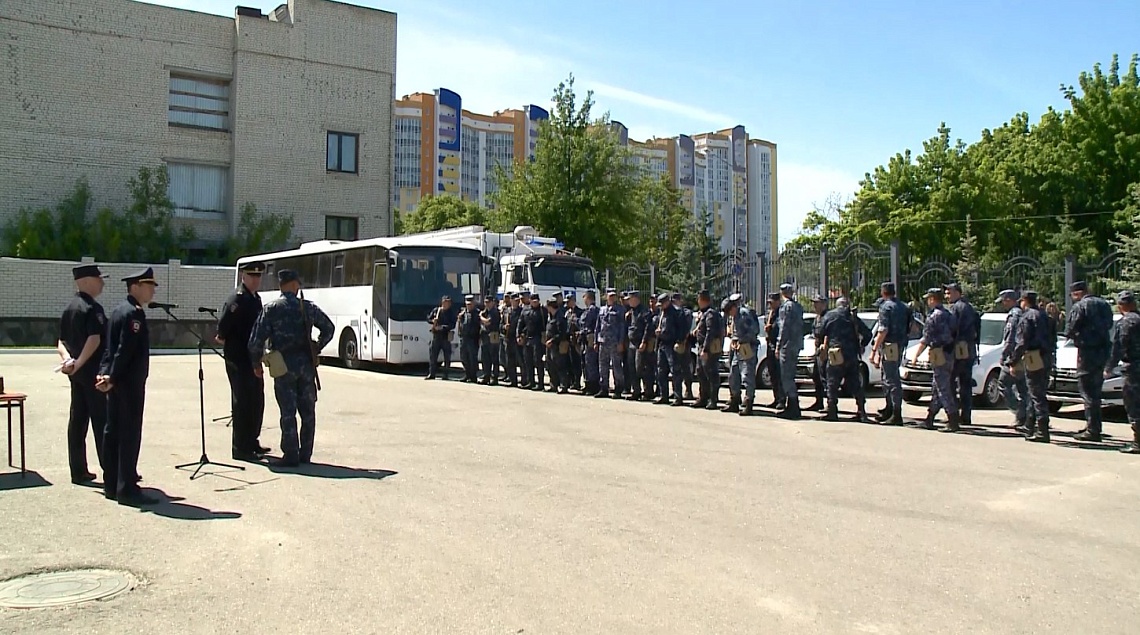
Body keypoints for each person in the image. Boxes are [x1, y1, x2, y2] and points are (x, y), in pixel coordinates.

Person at [249, 269, 335, 467]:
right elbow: (329, 328)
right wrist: (316, 346)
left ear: (281, 286)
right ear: (295, 284)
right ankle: (305, 454)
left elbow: (256, 340)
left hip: (282, 365)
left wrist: (256, 363)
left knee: (287, 413)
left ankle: (290, 454)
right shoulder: (308, 308)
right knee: (308, 412)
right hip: (305, 366)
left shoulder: (271, 309)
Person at [95, 267, 158, 506]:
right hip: (128, 383)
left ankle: (112, 484)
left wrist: (105, 374)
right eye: (149, 285)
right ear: (135, 287)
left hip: (116, 382)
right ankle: (127, 488)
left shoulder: (119, 311)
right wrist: (112, 376)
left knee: (113, 432)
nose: (152, 290)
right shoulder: (133, 314)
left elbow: (109, 350)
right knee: (129, 434)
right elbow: (124, 351)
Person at [58, 263, 108, 484]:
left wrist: (67, 360)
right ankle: (111, 470)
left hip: (76, 374)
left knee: (77, 421)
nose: (102, 283)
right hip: (92, 373)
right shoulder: (92, 308)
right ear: (87, 281)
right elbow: (95, 338)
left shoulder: (69, 308)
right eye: (99, 279)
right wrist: (78, 363)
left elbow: (60, 341)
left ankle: (78, 470)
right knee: (101, 421)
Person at [216, 261, 267, 461]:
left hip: (253, 358)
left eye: (258, 276)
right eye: (252, 276)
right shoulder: (236, 299)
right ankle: (240, 448)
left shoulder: (255, 299)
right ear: (243, 277)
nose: (256, 280)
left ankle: (252, 441)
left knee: (256, 400)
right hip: (238, 358)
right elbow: (222, 330)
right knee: (242, 401)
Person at [1065, 281, 1115, 442]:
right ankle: (1093, 426)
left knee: (1087, 392)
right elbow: (1109, 325)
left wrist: (1073, 336)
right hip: (1103, 351)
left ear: (1077, 293)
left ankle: (1093, 430)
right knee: (1096, 391)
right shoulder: (1104, 304)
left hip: (1087, 352)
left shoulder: (1080, 306)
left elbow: (1071, 328)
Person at [909, 287, 959, 431]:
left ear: (932, 299)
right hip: (949, 353)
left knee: (943, 388)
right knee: (937, 387)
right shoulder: (949, 314)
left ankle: (953, 419)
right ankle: (930, 418)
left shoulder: (934, 316)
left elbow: (926, 339)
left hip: (939, 354)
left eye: (928, 299)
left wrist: (916, 356)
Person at [818, 297, 873, 422]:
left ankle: (832, 411)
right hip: (852, 354)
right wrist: (862, 345)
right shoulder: (852, 317)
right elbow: (868, 334)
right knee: (855, 383)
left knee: (832, 382)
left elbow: (820, 332)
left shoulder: (830, 316)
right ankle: (862, 412)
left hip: (836, 353)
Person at [1010, 291, 1054, 443]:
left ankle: (1042, 430)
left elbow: (1022, 341)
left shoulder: (1027, 317)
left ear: (1024, 301)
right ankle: (1031, 426)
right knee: (1037, 392)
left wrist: (1013, 361)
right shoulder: (1045, 316)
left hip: (1033, 356)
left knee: (1035, 393)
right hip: (1046, 356)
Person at [870, 282, 909, 426]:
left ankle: (896, 413)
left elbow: (883, 330)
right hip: (899, 345)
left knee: (891, 379)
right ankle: (889, 409)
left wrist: (874, 349)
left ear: (883, 292)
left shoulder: (886, 307)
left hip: (889, 345)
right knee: (887, 377)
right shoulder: (903, 306)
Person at [945, 282, 980, 425]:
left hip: (958, 349)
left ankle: (954, 415)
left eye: (950, 292)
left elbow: (952, 329)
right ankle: (966, 415)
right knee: (965, 384)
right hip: (969, 348)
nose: (947, 296)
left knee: (951, 381)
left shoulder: (957, 308)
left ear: (958, 293)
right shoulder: (969, 307)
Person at [1109, 290, 1139, 454]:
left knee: (1133, 404)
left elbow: (1118, 347)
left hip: (1133, 369)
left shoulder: (1125, 322)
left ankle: (1138, 442)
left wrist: (1109, 367)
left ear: (1121, 306)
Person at [994, 289, 1029, 432]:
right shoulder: (1022, 313)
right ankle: (1026, 416)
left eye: (1003, 301)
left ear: (1009, 300)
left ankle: (1020, 413)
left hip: (1014, 356)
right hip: (1022, 355)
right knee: (1022, 388)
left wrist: (1004, 356)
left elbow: (1010, 339)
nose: (1002, 304)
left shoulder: (1014, 315)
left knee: (1003, 383)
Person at [722, 293, 760, 415]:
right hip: (737, 349)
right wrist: (734, 339)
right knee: (733, 374)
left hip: (747, 348)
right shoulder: (734, 316)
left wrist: (741, 339)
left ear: (733, 308)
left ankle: (749, 403)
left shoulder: (744, 314)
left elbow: (754, 331)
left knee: (747, 376)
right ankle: (734, 399)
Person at [691, 289, 725, 411]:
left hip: (709, 349)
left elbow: (710, 333)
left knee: (711, 374)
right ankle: (703, 398)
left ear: (702, 300)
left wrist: (705, 349)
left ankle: (713, 399)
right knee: (700, 373)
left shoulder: (710, 314)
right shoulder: (703, 313)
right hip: (701, 347)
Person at [775, 284, 805, 420]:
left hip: (787, 345)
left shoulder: (786, 307)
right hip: (796, 344)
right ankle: (792, 405)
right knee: (790, 375)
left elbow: (784, 327)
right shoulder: (798, 306)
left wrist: (778, 345)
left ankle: (793, 406)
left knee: (786, 376)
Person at [595, 289, 625, 399]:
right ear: (606, 297)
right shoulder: (602, 309)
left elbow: (622, 327)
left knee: (616, 366)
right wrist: (595, 341)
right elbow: (598, 326)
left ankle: (618, 389)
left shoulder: (620, 310)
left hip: (614, 342)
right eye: (610, 296)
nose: (612, 298)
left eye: (614, 296)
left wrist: (621, 342)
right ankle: (604, 388)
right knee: (603, 366)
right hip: (603, 341)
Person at [624, 291, 652, 402]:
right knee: (632, 368)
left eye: (630, 299)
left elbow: (647, 328)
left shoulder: (644, 311)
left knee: (641, 368)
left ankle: (647, 392)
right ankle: (636, 391)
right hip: (631, 343)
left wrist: (644, 342)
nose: (628, 301)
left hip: (640, 343)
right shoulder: (631, 312)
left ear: (636, 299)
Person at [761, 292, 784, 409]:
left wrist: (771, 327)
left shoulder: (781, 313)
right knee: (772, 373)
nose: (770, 305)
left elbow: (780, 328)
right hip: (770, 345)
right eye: (769, 303)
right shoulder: (770, 313)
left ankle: (781, 399)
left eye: (772, 302)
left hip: (777, 345)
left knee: (779, 374)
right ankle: (776, 398)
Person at [544, 295, 571, 393]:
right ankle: (553, 385)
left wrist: (552, 340)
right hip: (550, 346)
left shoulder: (560, 317)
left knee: (560, 366)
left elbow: (562, 333)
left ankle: (564, 386)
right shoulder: (550, 317)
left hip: (557, 345)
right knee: (550, 366)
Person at [806, 295, 829, 412]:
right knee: (816, 377)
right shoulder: (817, 318)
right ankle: (818, 401)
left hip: (825, 351)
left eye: (817, 303)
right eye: (814, 303)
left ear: (824, 304)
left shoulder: (827, 317)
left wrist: (824, 348)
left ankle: (829, 404)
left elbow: (827, 334)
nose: (815, 305)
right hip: (817, 351)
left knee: (825, 378)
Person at [426, 296, 456, 380]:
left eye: (448, 302)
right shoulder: (437, 310)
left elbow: (452, 324)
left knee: (447, 357)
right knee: (433, 356)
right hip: (436, 337)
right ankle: (432, 374)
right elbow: (428, 318)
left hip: (445, 337)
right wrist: (433, 321)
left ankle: (445, 375)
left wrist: (442, 327)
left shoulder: (451, 313)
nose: (446, 304)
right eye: (445, 302)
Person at [521, 294, 547, 391]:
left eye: (537, 301)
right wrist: (519, 334)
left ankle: (540, 383)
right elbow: (521, 322)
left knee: (538, 362)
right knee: (528, 361)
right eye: (533, 301)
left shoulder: (542, 311)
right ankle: (530, 382)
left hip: (538, 338)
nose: (535, 302)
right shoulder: (526, 310)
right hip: (528, 337)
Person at [580, 290, 601, 396]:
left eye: (584, 297)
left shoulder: (592, 310)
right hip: (585, 338)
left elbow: (587, 325)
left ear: (588, 298)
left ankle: (593, 386)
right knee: (586, 362)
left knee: (591, 362)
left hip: (590, 338)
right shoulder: (588, 310)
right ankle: (588, 384)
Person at [457, 295, 482, 383]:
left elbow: (479, 327)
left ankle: (473, 376)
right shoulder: (463, 314)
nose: (469, 306)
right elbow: (460, 325)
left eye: (471, 304)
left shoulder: (477, 313)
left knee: (472, 358)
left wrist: (479, 337)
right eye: (467, 304)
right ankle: (467, 374)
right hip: (464, 338)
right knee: (464, 357)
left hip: (473, 338)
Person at [479, 295, 502, 386]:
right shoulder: (486, 311)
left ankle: (494, 377)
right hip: (485, 336)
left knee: (494, 358)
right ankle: (486, 376)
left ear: (493, 302)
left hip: (493, 336)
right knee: (485, 358)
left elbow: (488, 322)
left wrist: (480, 316)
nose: (487, 304)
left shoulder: (494, 312)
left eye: (488, 302)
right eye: (485, 302)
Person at [502, 293, 522, 387]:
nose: (516, 302)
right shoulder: (507, 311)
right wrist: (504, 327)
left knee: (521, 360)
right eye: (514, 300)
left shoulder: (521, 311)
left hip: (517, 338)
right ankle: (513, 380)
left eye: (517, 300)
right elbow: (500, 324)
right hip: (508, 338)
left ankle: (524, 380)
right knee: (510, 361)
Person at [564, 292, 583, 391]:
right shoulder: (567, 313)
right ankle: (571, 381)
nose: (567, 304)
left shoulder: (579, 312)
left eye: (568, 302)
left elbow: (581, 325)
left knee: (577, 362)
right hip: (569, 339)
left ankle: (577, 382)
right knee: (570, 362)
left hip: (576, 340)